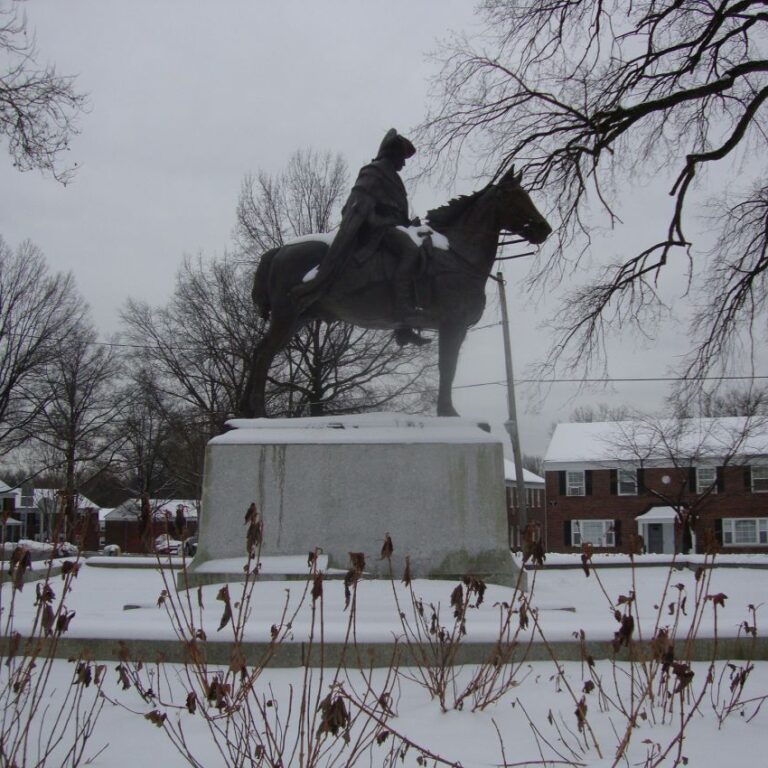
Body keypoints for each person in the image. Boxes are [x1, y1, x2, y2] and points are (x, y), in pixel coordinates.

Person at [293, 128, 429, 346]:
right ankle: (403, 310)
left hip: (394, 227)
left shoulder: (393, 177)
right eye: (401, 158)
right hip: (379, 231)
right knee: (410, 251)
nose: (403, 164)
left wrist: (410, 225)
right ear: (391, 154)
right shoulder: (374, 172)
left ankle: (404, 329)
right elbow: (356, 207)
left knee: (422, 248)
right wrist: (380, 220)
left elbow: (396, 210)